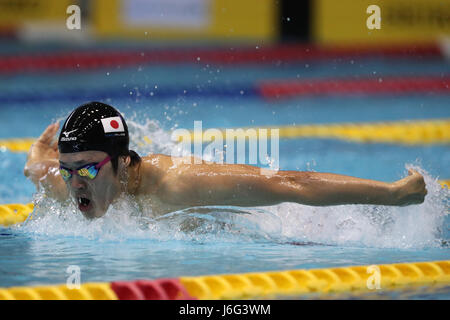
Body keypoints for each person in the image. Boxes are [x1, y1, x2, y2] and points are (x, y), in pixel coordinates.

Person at [24, 102, 427, 219]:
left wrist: (393, 194)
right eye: (69, 168)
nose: (76, 181)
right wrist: (40, 158)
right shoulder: (71, 183)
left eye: (89, 168)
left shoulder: (181, 184)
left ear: (125, 161)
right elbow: (37, 172)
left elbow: (291, 183)